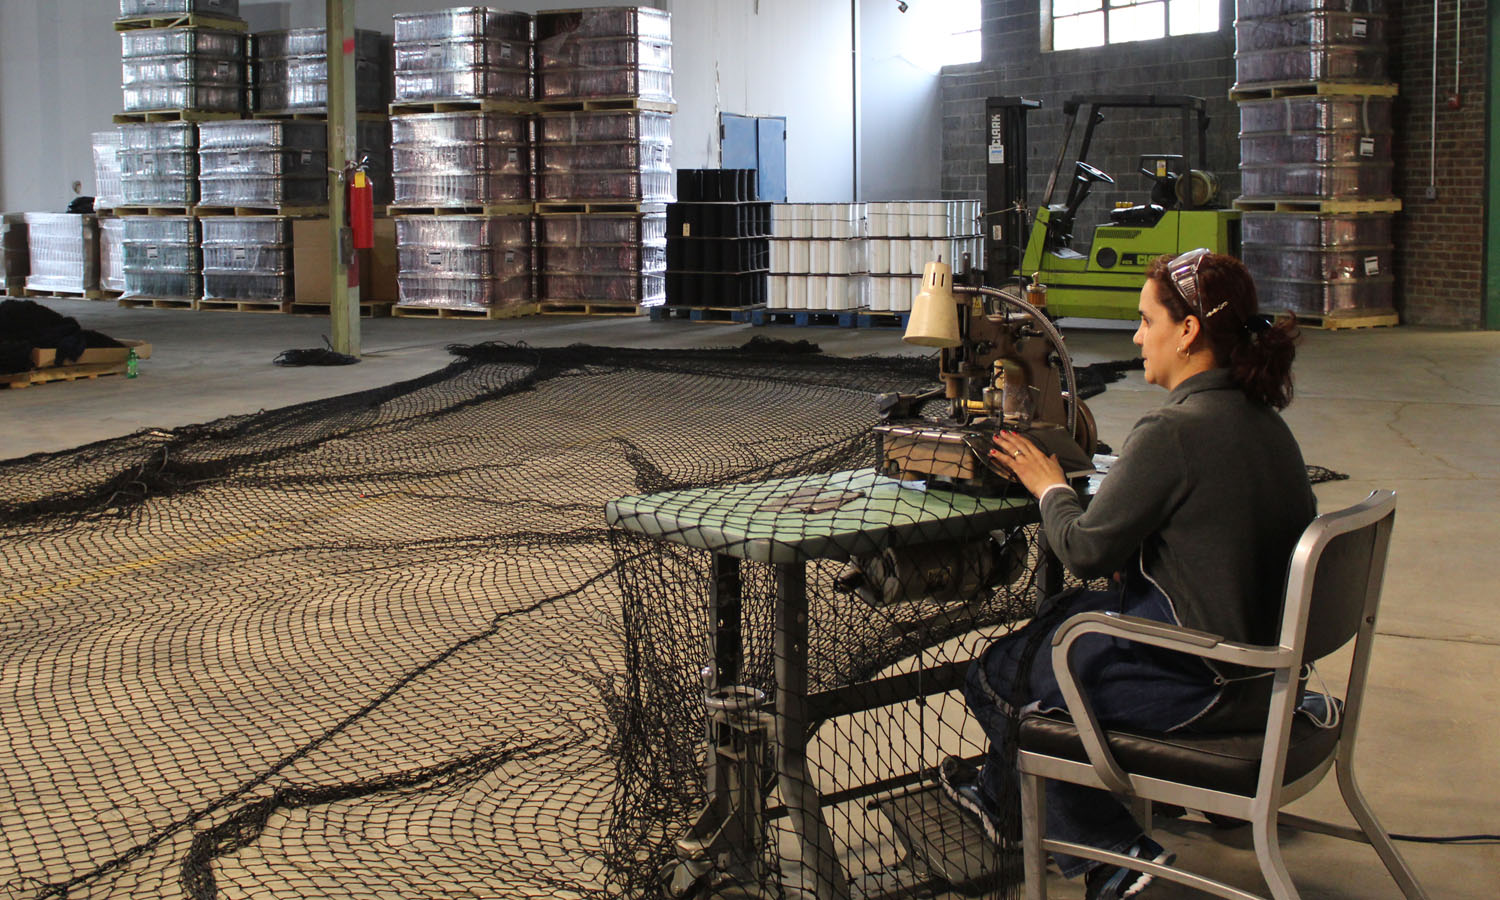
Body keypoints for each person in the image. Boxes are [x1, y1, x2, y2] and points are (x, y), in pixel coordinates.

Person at [942, 249, 1316, 899]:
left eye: (1146, 321)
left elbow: (1084, 550)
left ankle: (1117, 858)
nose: (1138, 336)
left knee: (1001, 677)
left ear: (1189, 331)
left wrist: (1047, 484)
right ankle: (1003, 803)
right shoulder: (1266, 424)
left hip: (1207, 683)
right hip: (1271, 677)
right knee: (1061, 625)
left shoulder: (1175, 430)